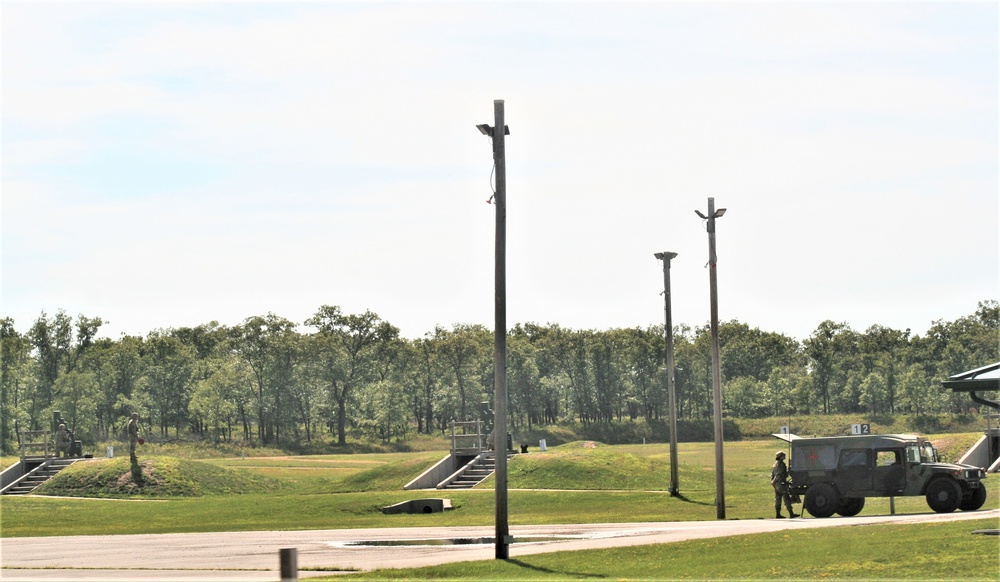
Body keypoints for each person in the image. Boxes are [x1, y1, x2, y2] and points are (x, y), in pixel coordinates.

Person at [771, 451, 799, 518]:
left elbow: (772, 474)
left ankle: (778, 514)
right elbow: (778, 474)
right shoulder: (781, 464)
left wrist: (773, 482)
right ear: (780, 457)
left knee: (778, 499)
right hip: (781, 483)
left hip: (777, 484)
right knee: (786, 498)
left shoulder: (775, 464)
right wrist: (774, 481)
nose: (784, 456)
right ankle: (791, 513)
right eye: (783, 455)